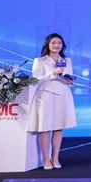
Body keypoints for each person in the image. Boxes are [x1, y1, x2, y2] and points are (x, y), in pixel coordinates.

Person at [26, 32, 77, 170]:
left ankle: (55, 158)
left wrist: (69, 80)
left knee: (58, 128)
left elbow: (69, 79)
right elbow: (35, 80)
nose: (56, 45)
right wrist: (52, 73)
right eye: (53, 42)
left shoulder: (67, 61)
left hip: (62, 95)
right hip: (46, 96)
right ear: (47, 45)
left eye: (59, 43)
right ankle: (45, 159)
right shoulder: (40, 61)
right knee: (44, 128)